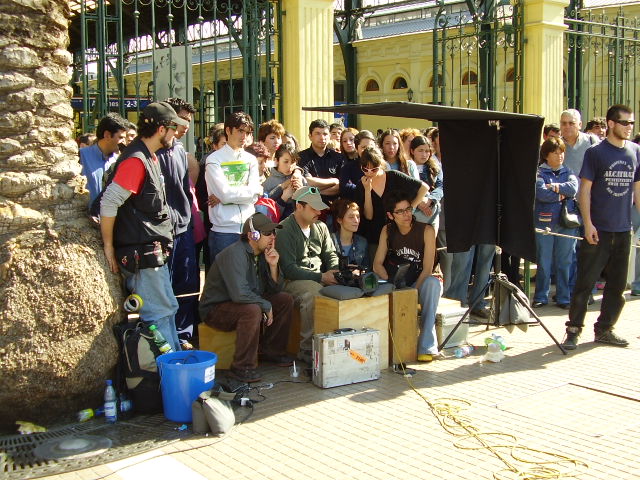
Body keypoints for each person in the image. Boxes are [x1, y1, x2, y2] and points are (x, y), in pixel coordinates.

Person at [99, 102, 189, 352]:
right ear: (162, 129)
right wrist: (108, 245)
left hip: (150, 252)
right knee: (158, 314)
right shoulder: (136, 160)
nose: (176, 134)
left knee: (168, 308)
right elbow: (109, 202)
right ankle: (166, 378)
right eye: (173, 128)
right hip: (141, 256)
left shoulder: (145, 156)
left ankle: (176, 369)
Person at [562, 104, 640, 350]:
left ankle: (605, 329)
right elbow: (584, 190)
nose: (629, 127)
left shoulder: (635, 151)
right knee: (585, 283)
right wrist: (588, 224)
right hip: (598, 230)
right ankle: (573, 330)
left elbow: (638, 190)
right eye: (625, 122)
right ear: (611, 124)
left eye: (632, 123)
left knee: (617, 286)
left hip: (623, 229)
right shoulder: (596, 152)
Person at [199, 213, 294, 383]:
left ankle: (272, 351)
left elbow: (276, 289)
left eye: (273, 232)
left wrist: (273, 266)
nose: (273, 236)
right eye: (267, 233)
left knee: (284, 300)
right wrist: (265, 305)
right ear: (253, 235)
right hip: (216, 308)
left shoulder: (263, 253)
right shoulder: (235, 253)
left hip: (241, 302)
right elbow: (239, 293)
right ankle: (242, 368)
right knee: (252, 310)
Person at [373, 191, 442, 361]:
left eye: (408, 209)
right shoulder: (387, 230)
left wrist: (412, 292)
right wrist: (391, 284)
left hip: (422, 281)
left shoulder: (426, 230)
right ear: (390, 215)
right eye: (401, 211)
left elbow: (427, 269)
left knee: (432, 284)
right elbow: (377, 264)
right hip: (397, 280)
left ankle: (427, 346)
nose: (407, 215)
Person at [277, 186, 340, 363]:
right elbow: (289, 269)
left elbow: (331, 254)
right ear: (299, 206)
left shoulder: (320, 227)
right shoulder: (284, 230)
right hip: (292, 281)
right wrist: (321, 277)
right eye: (313, 208)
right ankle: (307, 350)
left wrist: (334, 272)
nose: (319, 212)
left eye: (319, 208)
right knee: (313, 294)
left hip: (320, 277)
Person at [156, 97, 200, 348]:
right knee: (165, 288)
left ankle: (184, 336)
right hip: (162, 232)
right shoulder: (153, 152)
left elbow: (185, 189)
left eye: (189, 122)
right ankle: (166, 339)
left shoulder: (180, 152)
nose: (186, 126)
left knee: (187, 285)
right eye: (182, 120)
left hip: (184, 229)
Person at [205, 112, 263, 262]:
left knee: (247, 279)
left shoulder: (251, 159)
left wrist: (230, 195)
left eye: (248, 132)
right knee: (224, 282)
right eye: (240, 131)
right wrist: (250, 193)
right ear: (228, 130)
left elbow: (256, 194)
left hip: (248, 228)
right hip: (223, 231)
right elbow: (225, 194)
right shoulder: (213, 160)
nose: (244, 136)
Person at [355, 146, 429, 260]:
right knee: (378, 270)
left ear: (380, 164)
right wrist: (367, 190)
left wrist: (410, 208)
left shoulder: (394, 176)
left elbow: (424, 188)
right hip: (375, 236)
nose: (369, 173)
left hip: (398, 232)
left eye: (373, 169)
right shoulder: (362, 184)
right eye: (365, 169)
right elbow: (369, 216)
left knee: (401, 268)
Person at [532, 137, 579, 309]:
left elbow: (573, 188)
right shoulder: (539, 173)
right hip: (544, 222)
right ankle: (541, 296)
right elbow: (541, 193)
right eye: (555, 152)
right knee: (544, 262)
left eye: (562, 152)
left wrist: (554, 187)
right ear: (546, 155)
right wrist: (562, 192)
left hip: (566, 223)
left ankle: (563, 297)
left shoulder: (569, 171)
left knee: (565, 262)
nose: (560, 156)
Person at [80, 113, 129, 205]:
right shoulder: (80, 156)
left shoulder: (118, 161)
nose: (124, 142)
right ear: (107, 135)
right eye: (121, 137)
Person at [195, 124, 225, 272]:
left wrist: (224, 196)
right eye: (223, 144)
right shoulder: (208, 162)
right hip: (212, 219)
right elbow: (201, 195)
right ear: (214, 145)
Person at [298, 119, 344, 204]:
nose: (322, 137)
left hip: (334, 208)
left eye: (325, 134)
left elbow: (341, 186)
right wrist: (334, 181)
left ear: (329, 136)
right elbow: (306, 182)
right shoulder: (301, 157)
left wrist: (313, 191)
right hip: (310, 207)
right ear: (310, 136)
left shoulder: (338, 158)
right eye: (317, 133)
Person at [262, 143, 306, 220]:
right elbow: (266, 210)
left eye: (293, 162)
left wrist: (301, 191)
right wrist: (283, 196)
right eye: (286, 162)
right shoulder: (269, 182)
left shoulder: (298, 178)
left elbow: (310, 204)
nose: (289, 166)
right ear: (277, 161)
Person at [408, 135, 443, 230]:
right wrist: (419, 201)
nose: (424, 154)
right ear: (412, 151)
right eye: (420, 150)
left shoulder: (435, 168)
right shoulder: (406, 168)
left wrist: (430, 200)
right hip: (412, 214)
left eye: (427, 151)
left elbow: (440, 186)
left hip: (431, 211)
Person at [330, 198, 370, 269]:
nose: (356, 221)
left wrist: (360, 272)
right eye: (351, 217)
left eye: (358, 217)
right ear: (339, 220)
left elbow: (366, 269)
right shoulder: (329, 241)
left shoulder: (362, 242)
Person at [560, 109, 599, 176]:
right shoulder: (555, 145)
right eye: (564, 123)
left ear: (580, 125)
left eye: (571, 123)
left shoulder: (591, 141)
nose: (567, 127)